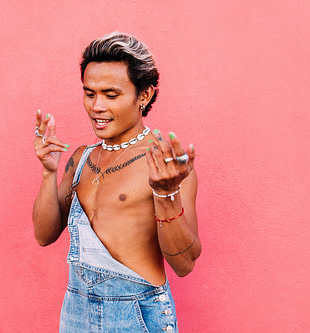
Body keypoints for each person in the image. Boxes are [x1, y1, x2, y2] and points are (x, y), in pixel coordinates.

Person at [32, 32, 201, 332]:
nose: (97, 106)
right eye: (89, 93)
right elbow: (44, 235)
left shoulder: (165, 164)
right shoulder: (81, 159)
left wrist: (166, 194)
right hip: (75, 313)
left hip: (136, 315)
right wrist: (49, 172)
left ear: (144, 96)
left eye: (111, 95)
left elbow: (184, 263)